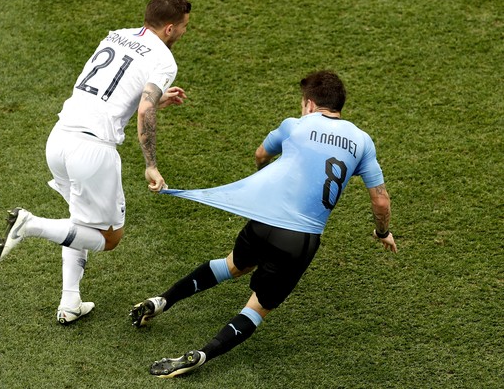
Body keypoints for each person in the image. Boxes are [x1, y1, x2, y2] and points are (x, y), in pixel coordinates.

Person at [129, 70, 397, 377]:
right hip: (300, 239)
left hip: (264, 221)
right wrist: (382, 232)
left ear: (309, 104)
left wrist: (265, 170)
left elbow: (261, 154)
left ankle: (162, 300)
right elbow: (381, 201)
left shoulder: (294, 126)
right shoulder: (362, 142)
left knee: (230, 265)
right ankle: (202, 355)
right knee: (256, 308)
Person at [0, 0, 192, 324]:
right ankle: (31, 225)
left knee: (78, 222)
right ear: (169, 28)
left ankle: (70, 301)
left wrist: (154, 101)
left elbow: (114, 91)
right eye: (184, 27)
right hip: (93, 151)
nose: (184, 33)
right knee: (109, 238)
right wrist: (151, 164)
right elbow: (143, 108)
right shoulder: (164, 60)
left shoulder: (118, 35)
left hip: (59, 139)